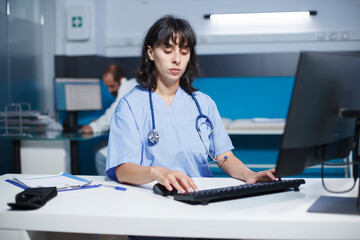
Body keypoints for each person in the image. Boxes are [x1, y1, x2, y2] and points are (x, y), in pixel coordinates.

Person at [106, 15, 278, 195]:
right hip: (153, 196)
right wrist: (157, 172)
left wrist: (249, 174)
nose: (177, 59)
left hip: (200, 195)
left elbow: (224, 157)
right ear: (150, 53)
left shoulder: (203, 104)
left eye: (184, 51)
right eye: (168, 50)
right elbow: (122, 169)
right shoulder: (130, 105)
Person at [81, 65, 137, 175]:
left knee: (100, 156)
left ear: (121, 79)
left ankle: (110, 188)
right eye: (107, 87)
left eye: (112, 86)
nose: (110, 90)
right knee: (99, 147)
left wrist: (93, 127)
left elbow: (114, 112)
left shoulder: (128, 87)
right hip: (131, 137)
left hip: (135, 142)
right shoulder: (133, 84)